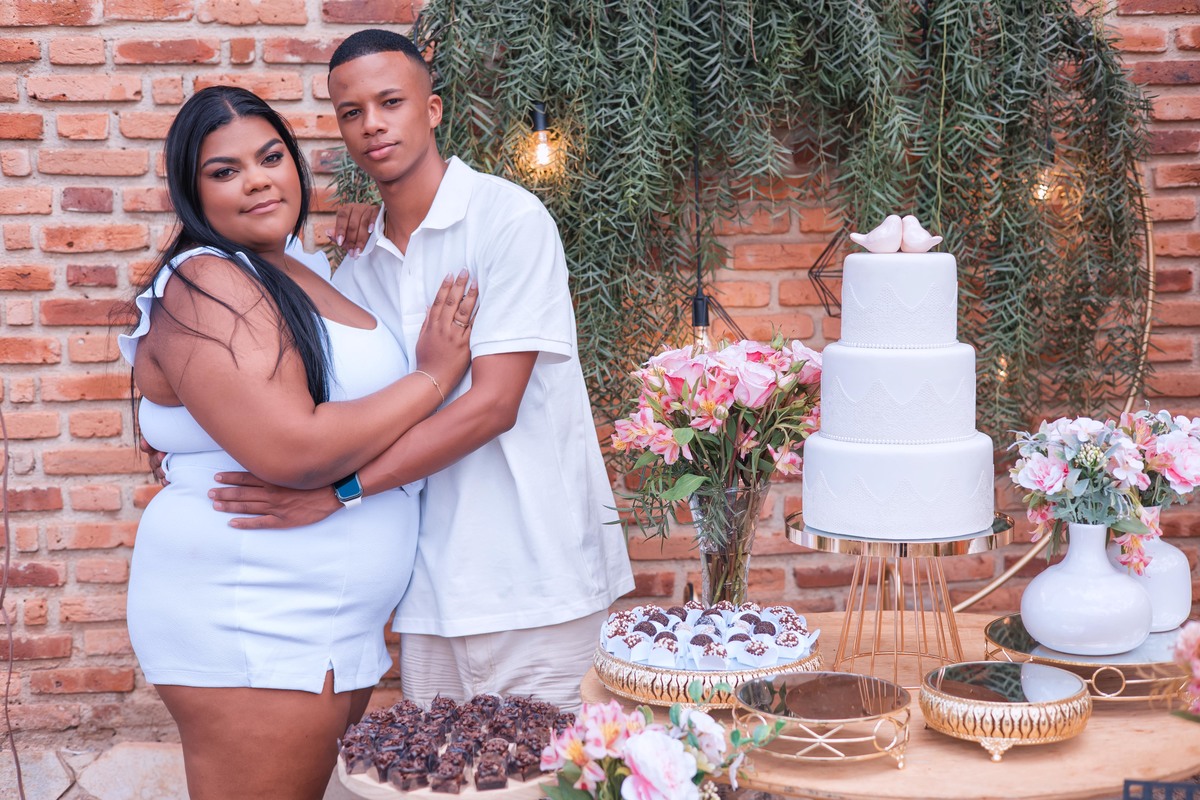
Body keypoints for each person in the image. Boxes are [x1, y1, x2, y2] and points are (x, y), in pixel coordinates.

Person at [209, 29, 635, 712]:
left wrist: (339, 494)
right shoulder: (356, 269)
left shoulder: (507, 219)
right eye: (352, 112)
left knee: (565, 768)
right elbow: (343, 415)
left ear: (431, 110)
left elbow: (494, 405)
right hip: (427, 596)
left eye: (390, 102)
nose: (372, 124)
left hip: (541, 585)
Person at [120, 85, 476, 800]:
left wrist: (363, 229)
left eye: (270, 157)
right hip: (255, 609)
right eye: (224, 171)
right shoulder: (204, 279)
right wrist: (433, 377)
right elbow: (294, 450)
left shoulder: (297, 266)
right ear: (192, 191)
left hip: (328, 614)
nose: (256, 180)